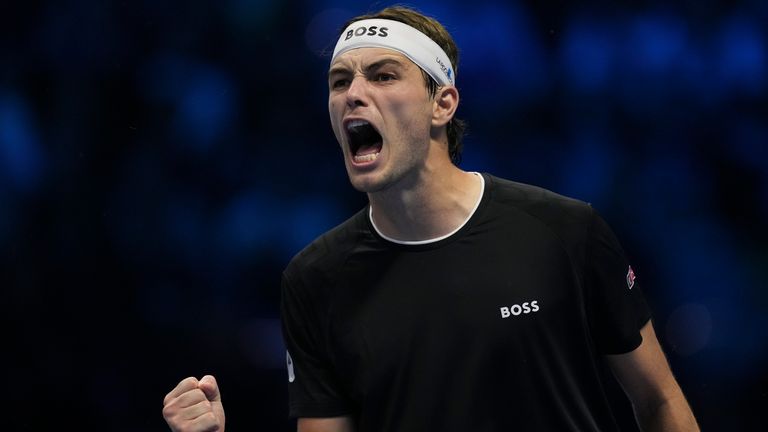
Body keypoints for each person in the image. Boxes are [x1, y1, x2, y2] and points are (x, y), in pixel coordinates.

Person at [162, 5, 699, 432]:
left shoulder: (566, 232)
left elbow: (659, 401)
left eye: (383, 75)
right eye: (339, 81)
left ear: (442, 104)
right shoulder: (313, 280)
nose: (354, 94)